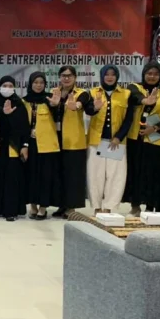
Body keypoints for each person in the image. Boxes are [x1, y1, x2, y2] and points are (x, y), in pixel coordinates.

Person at [123, 61, 160, 217]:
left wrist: (155, 127)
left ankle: (151, 206)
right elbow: (134, 97)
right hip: (135, 138)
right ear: (144, 74)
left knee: (153, 173)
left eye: (156, 74)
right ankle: (135, 205)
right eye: (149, 73)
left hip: (155, 138)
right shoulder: (134, 88)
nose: (152, 77)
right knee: (135, 172)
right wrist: (145, 101)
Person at [86, 65, 135, 214]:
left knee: (115, 176)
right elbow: (88, 111)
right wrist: (95, 108)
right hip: (96, 141)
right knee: (95, 175)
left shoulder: (126, 94)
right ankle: (97, 207)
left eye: (113, 74)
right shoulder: (93, 92)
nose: (109, 77)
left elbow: (129, 119)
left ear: (117, 76)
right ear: (102, 76)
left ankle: (109, 207)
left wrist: (119, 137)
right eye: (106, 74)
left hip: (116, 142)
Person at [48, 66, 92, 218]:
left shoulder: (82, 93)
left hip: (74, 141)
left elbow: (81, 103)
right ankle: (61, 205)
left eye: (69, 76)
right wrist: (53, 105)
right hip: (55, 139)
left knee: (73, 176)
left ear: (75, 77)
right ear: (59, 77)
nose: (66, 78)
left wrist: (76, 105)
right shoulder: (54, 92)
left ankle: (71, 207)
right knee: (59, 174)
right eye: (63, 75)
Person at [0, 76, 30, 222]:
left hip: (14, 146)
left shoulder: (19, 104)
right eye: (5, 85)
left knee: (12, 179)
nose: (8, 88)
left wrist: (24, 146)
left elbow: (25, 127)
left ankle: (11, 210)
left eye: (11, 86)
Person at [24, 72, 61, 220]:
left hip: (47, 145)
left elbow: (59, 118)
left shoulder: (50, 99)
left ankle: (43, 207)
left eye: (41, 83)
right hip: (30, 143)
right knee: (31, 175)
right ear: (30, 84)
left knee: (46, 177)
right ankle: (33, 206)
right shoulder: (24, 101)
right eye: (36, 82)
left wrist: (55, 106)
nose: (38, 85)